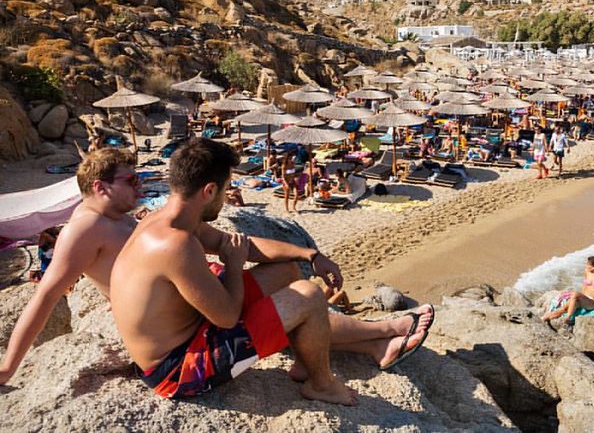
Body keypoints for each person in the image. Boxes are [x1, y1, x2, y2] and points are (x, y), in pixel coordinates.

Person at [110, 138, 433, 403]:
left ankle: (368, 343)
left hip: (192, 331)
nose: (226, 197)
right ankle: (322, 382)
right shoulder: (175, 244)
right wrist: (233, 267)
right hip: (179, 370)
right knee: (307, 295)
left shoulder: (169, 220)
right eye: (225, 189)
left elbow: (239, 244)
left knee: (287, 272)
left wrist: (312, 256)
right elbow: (225, 316)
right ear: (209, 191)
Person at [0, 148, 140, 385]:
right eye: (132, 180)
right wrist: (8, 368)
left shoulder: (113, 214)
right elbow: (45, 296)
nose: (140, 186)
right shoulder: (85, 228)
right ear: (100, 187)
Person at [541, 256, 594, 324]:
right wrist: (578, 297)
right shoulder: (587, 272)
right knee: (564, 308)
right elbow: (584, 287)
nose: (586, 266)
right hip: (582, 298)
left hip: (592, 302)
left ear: (593, 267)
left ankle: (568, 317)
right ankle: (545, 318)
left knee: (574, 294)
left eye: (588, 264)